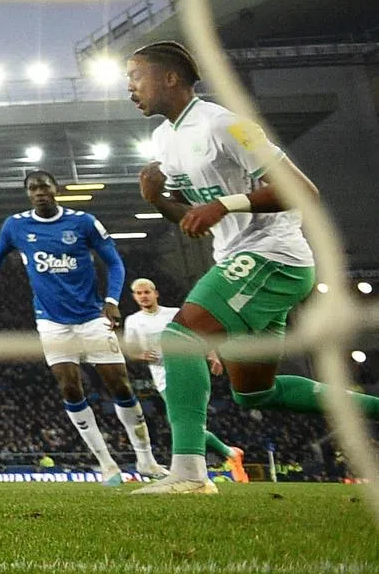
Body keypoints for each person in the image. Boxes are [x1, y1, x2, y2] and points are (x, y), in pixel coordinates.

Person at [125, 40, 379, 494]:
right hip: (241, 261)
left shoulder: (224, 125)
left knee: (179, 337)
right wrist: (159, 200)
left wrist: (225, 204)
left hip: (273, 256)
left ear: (170, 78)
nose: (130, 88)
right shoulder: (164, 139)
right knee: (254, 393)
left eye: (136, 77)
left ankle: (189, 474)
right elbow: (194, 219)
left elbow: (302, 191)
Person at [0, 170, 167, 485]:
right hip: (51, 322)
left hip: (92, 318)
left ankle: (146, 460)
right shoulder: (15, 225)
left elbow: (114, 261)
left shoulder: (83, 222)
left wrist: (111, 299)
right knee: (69, 387)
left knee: (120, 386)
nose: (39, 192)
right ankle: (107, 465)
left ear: (55, 189)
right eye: (33, 188)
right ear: (28, 194)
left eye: (44, 186)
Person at [123, 278, 247, 483]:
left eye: (147, 292)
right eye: (138, 293)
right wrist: (140, 355)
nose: (143, 296)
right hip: (162, 375)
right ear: (134, 297)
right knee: (183, 423)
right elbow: (131, 350)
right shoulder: (133, 321)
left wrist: (213, 355)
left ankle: (191, 471)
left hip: (187, 367)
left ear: (156, 293)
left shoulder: (173, 313)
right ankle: (230, 454)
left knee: (183, 422)